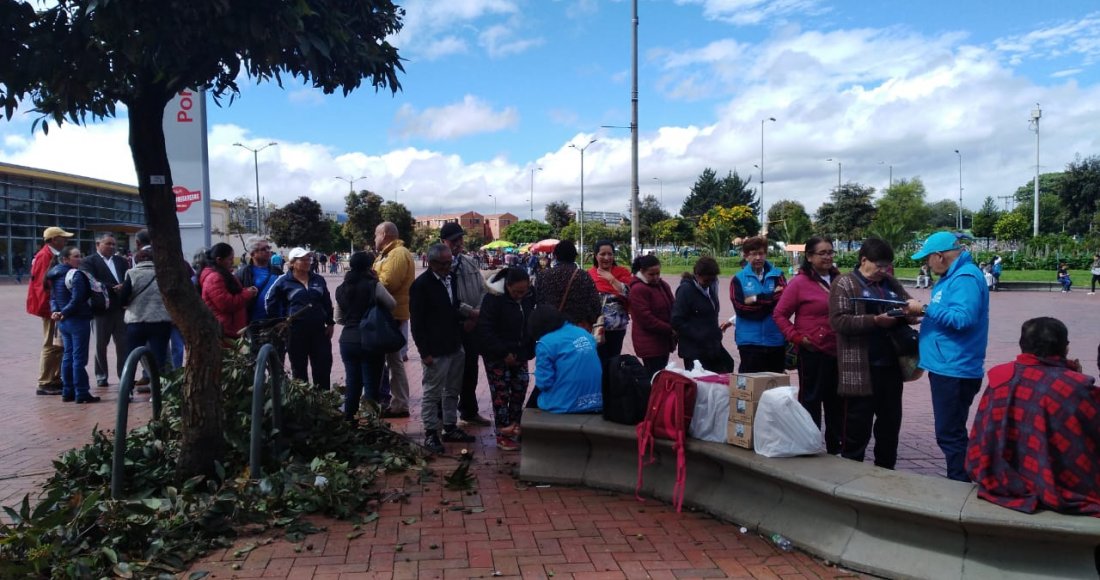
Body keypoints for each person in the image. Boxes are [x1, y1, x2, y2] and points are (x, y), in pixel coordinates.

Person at [966, 317, 1100, 516]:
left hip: (999, 478)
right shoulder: (1075, 386)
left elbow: (982, 434)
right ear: (1066, 348)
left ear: (1022, 345)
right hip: (1061, 484)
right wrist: (1075, 379)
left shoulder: (1001, 377)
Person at [904, 231, 989, 482]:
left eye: (927, 258)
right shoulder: (953, 276)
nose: (926, 264)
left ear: (940, 256)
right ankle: (961, 478)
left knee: (949, 433)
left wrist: (926, 308)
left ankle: (959, 484)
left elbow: (963, 319)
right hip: (947, 365)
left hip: (954, 368)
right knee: (952, 431)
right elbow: (949, 314)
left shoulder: (965, 278)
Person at [830, 238, 913, 469]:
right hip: (860, 367)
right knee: (857, 426)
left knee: (889, 425)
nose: (883, 270)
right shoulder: (844, 283)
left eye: (886, 266)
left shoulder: (889, 282)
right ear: (863, 260)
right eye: (879, 265)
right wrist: (875, 321)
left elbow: (906, 304)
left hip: (891, 366)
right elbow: (839, 321)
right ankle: (850, 473)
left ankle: (886, 473)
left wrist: (910, 312)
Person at [773, 236, 843, 455]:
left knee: (836, 400)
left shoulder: (840, 280)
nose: (828, 257)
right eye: (822, 253)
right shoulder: (800, 283)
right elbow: (780, 314)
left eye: (830, 252)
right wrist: (796, 337)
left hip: (838, 350)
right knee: (811, 399)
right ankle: (808, 444)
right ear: (810, 257)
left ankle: (835, 446)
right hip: (812, 351)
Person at [410, 243, 474, 454]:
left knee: (452, 390)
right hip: (435, 348)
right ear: (432, 262)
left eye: (450, 262)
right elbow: (417, 322)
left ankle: (449, 426)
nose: (449, 267)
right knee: (432, 391)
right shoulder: (421, 285)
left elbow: (452, 306)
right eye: (445, 263)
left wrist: (466, 316)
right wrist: (424, 352)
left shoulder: (451, 279)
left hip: (454, 343)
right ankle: (430, 432)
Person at [477, 267, 537, 451]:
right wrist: (504, 353)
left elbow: (530, 321)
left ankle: (515, 426)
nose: (520, 295)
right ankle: (503, 432)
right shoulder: (493, 298)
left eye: (524, 291)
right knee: (501, 393)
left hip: (520, 353)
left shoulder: (529, 296)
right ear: (507, 286)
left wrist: (528, 348)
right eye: (516, 291)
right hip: (496, 355)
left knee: (520, 387)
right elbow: (486, 330)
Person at [439, 222, 492, 426]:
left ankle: (469, 411)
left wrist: (475, 315)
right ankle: (443, 416)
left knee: (470, 369)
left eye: (460, 239)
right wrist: (469, 313)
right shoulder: (439, 263)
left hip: (472, 324)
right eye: (454, 240)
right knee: (446, 372)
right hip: (450, 325)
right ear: (443, 241)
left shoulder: (470, 263)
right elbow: (446, 296)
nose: (458, 244)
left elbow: (482, 290)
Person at [334, 251, 396, 422]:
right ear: (369, 267)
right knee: (371, 385)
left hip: (348, 340)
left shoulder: (342, 288)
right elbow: (392, 303)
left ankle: (349, 420)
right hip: (371, 339)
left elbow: (338, 318)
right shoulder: (372, 285)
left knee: (353, 383)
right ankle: (370, 424)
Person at [267, 247, 335, 391]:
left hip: (319, 331)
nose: (307, 262)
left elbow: (327, 302)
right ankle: (303, 404)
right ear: (292, 263)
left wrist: (330, 322)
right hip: (295, 332)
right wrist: (277, 322)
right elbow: (270, 301)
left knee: (322, 366)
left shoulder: (318, 279)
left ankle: (324, 402)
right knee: (298, 369)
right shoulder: (283, 281)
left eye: (308, 259)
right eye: (302, 259)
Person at [373, 221, 416, 418]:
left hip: (393, 314)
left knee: (394, 360)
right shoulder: (387, 253)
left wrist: (371, 279)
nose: (374, 239)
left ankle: (400, 403)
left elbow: (388, 282)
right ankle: (394, 401)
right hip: (388, 314)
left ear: (385, 234)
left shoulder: (398, 253)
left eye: (376, 235)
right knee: (391, 360)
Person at [47, 246, 99, 403]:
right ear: (65, 259)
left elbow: (53, 298)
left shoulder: (55, 274)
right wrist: (64, 312)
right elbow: (77, 299)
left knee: (68, 356)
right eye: (76, 256)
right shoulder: (76, 275)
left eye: (80, 255)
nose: (80, 259)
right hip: (77, 319)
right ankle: (81, 392)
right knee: (78, 358)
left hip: (64, 321)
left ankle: (67, 391)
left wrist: (57, 312)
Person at [528, 306, 602, 414]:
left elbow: (544, 383)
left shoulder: (545, 342)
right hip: (597, 401)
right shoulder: (584, 333)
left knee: (532, 406)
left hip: (565, 404)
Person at [730, 236, 787, 373]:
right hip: (749, 342)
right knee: (749, 389)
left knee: (775, 388)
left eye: (761, 253)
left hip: (775, 340)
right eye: (753, 254)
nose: (758, 257)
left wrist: (754, 298)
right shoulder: (738, 279)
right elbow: (741, 309)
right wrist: (770, 298)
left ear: (766, 254)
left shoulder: (778, 275)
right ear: (745, 256)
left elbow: (783, 302)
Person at [80, 233, 130, 388]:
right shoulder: (89, 261)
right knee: (100, 345)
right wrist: (111, 287)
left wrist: (124, 287)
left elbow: (128, 278)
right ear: (98, 244)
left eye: (114, 244)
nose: (112, 247)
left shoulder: (121, 261)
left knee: (122, 344)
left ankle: (124, 374)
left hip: (120, 309)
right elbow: (90, 280)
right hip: (101, 309)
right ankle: (101, 375)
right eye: (108, 244)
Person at [27, 226, 72, 395]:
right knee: (50, 343)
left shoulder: (51, 255)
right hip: (50, 308)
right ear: (54, 239)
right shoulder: (44, 256)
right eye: (63, 237)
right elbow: (42, 286)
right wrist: (52, 308)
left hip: (54, 307)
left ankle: (54, 378)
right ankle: (45, 381)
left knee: (57, 344)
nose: (66, 240)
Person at [117, 248, 172, 386]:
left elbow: (123, 299)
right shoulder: (164, 274)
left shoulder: (132, 273)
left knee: (131, 357)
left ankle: (127, 390)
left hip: (136, 321)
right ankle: (157, 393)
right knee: (159, 358)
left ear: (136, 260)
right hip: (161, 321)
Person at [671, 256, 734, 372]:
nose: (709, 283)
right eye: (706, 280)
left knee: (728, 364)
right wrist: (700, 334)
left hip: (711, 345)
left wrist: (715, 333)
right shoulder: (686, 290)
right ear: (697, 274)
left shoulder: (712, 287)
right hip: (694, 349)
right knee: (702, 384)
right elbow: (676, 320)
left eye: (712, 279)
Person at [588, 240, 632, 380]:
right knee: (598, 362)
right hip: (596, 328)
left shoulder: (622, 272)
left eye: (610, 254)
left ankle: (613, 393)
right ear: (595, 255)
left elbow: (630, 292)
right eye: (603, 254)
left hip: (617, 327)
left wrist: (612, 279)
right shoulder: (589, 275)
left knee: (614, 362)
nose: (607, 258)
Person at [627, 254, 677, 378]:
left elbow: (673, 304)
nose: (656, 277)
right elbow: (646, 319)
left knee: (660, 375)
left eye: (658, 273)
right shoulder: (638, 289)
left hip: (663, 339)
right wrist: (670, 329)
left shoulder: (662, 285)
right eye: (651, 274)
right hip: (649, 343)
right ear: (642, 272)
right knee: (654, 377)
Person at [534, 240, 601, 330]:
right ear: (574, 256)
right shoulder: (582, 275)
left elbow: (538, 302)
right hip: (576, 328)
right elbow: (595, 304)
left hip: (550, 328)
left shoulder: (543, 276)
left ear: (555, 256)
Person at [199, 243, 258, 341]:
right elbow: (226, 304)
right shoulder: (214, 278)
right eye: (230, 259)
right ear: (219, 260)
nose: (232, 262)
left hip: (230, 328)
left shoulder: (223, 274)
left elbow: (231, 293)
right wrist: (247, 294)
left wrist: (245, 291)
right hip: (224, 330)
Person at [234, 236, 283, 324]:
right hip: (253, 323)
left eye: (268, 248)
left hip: (276, 321)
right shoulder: (243, 274)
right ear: (252, 254)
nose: (268, 251)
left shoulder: (277, 271)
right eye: (263, 249)